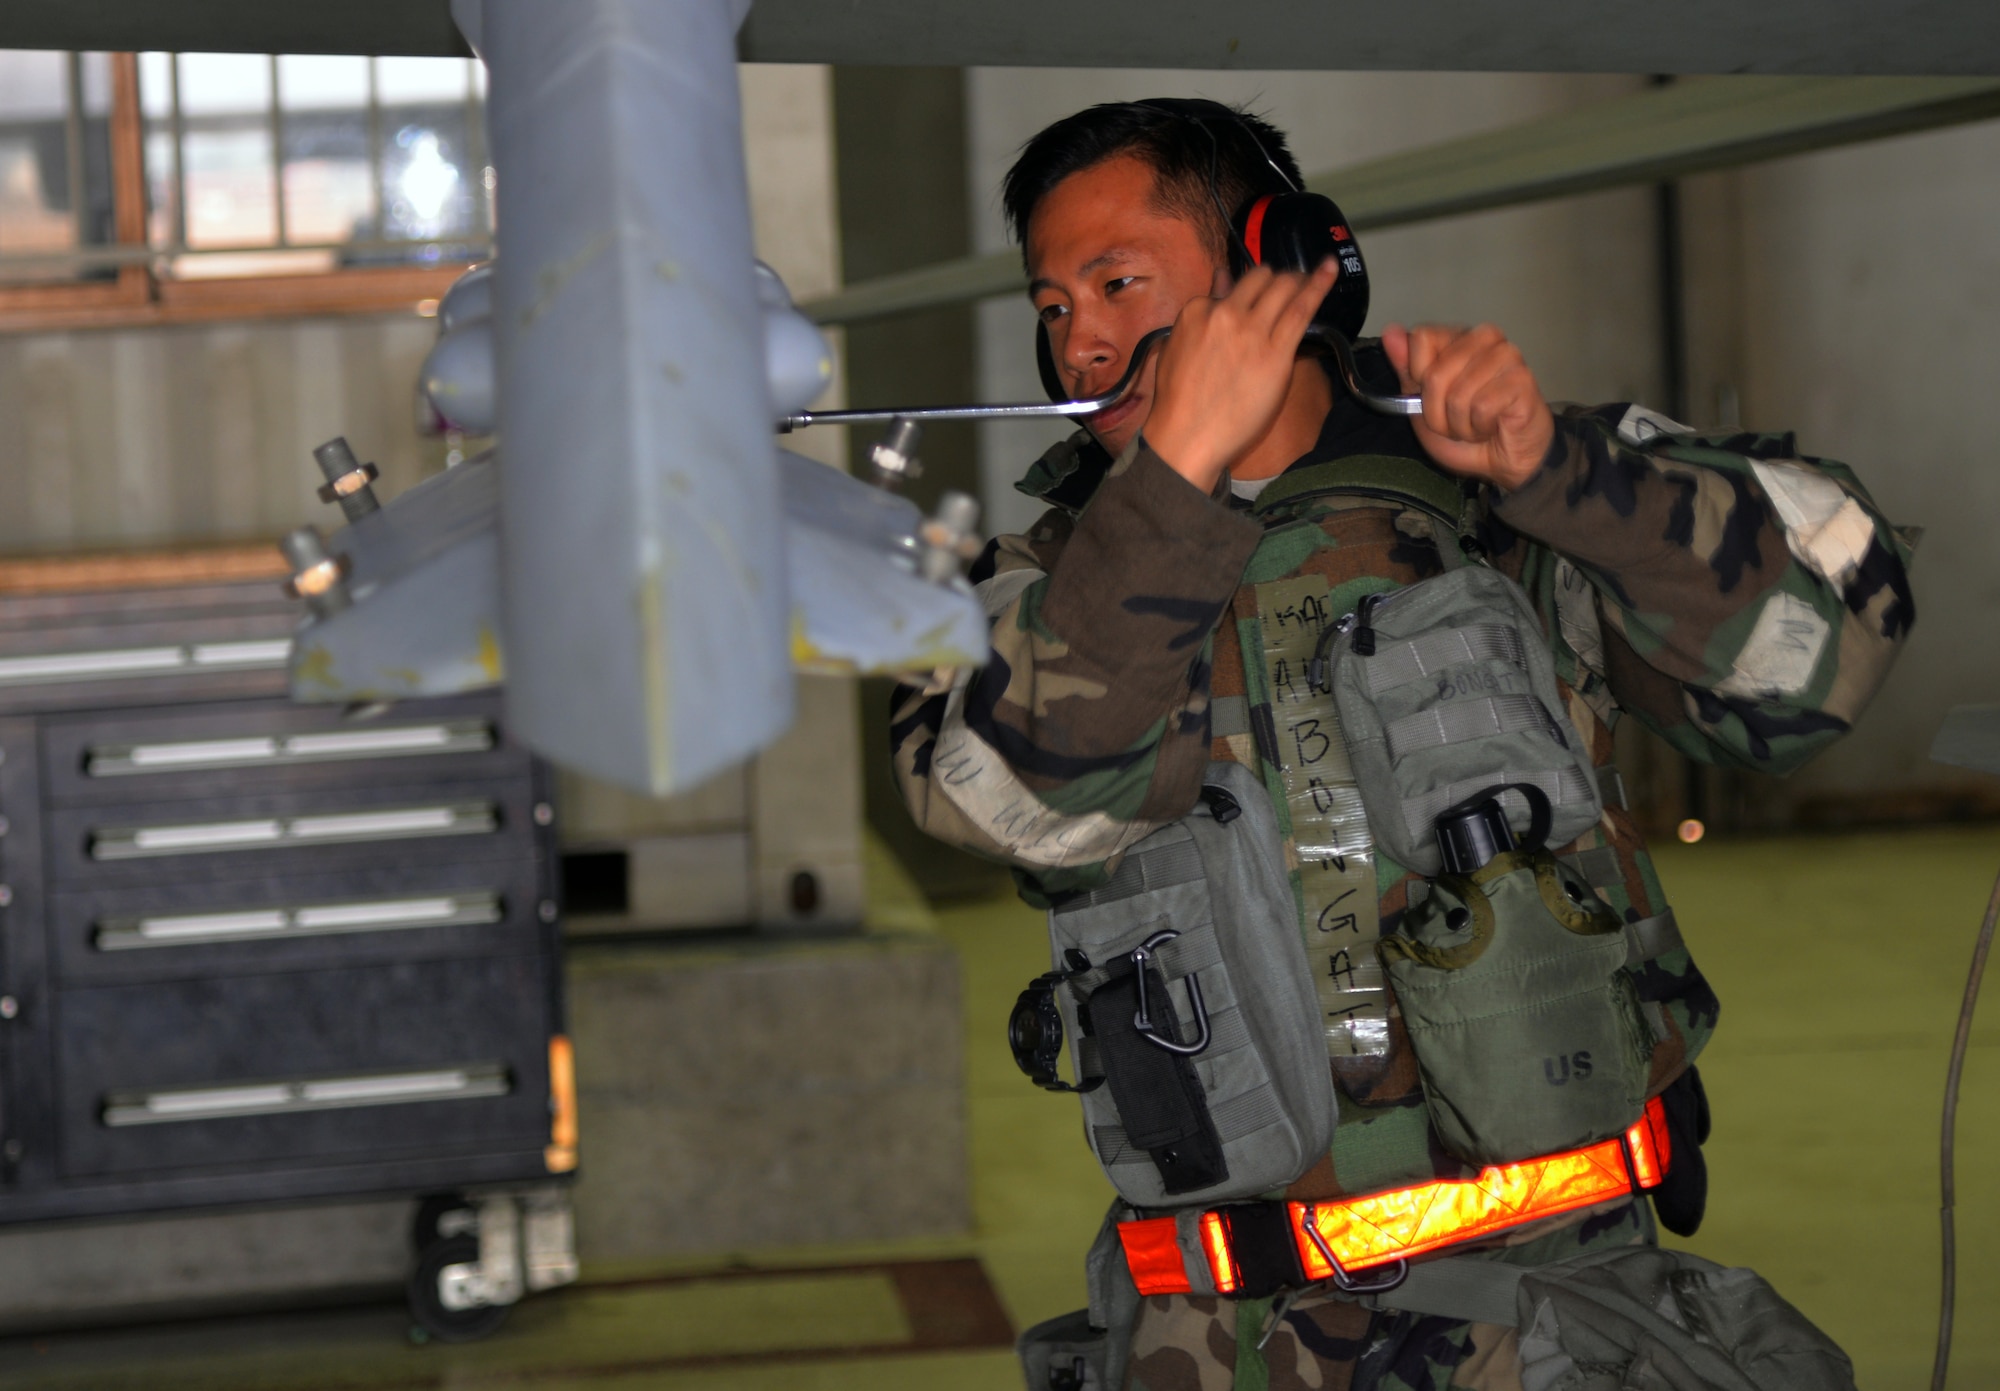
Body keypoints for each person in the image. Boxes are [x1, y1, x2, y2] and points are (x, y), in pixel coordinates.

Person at [890, 98, 1912, 1391]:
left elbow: (1833, 635)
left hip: (1552, 1316)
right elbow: (998, 798)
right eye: (1052, 305)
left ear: (1277, 264)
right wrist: (1176, 484)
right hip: (1219, 1342)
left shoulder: (1494, 489)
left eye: (1116, 283)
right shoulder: (1041, 584)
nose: (1078, 339)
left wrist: (1565, 478)